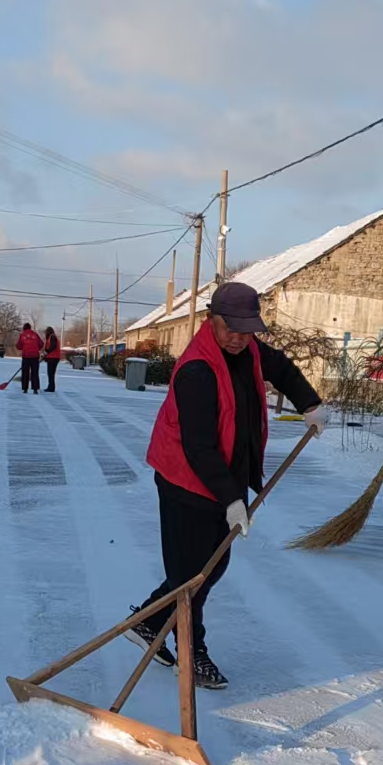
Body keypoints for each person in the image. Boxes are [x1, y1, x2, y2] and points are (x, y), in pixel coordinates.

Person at [127, 283, 326, 688]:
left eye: (246, 330)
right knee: (192, 576)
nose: (237, 338)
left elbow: (282, 368)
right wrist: (232, 499)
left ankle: (149, 621)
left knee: (210, 566)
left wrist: (309, 403)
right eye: (229, 328)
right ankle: (191, 650)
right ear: (209, 322)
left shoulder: (248, 350)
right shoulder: (197, 371)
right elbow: (199, 448)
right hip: (185, 478)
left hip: (224, 477)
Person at [17, 323, 44, 394]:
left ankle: (25, 389)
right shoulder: (35, 334)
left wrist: (23, 347)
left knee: (25, 373)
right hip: (35, 356)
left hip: (26, 356)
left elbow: (18, 346)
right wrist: (37, 348)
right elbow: (41, 344)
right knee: (35, 373)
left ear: (24, 328)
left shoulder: (22, 335)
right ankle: (35, 389)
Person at [43, 326, 62, 392]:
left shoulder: (52, 337)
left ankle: (51, 387)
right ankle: (51, 387)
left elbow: (53, 346)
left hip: (53, 357)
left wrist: (47, 352)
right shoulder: (52, 337)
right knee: (51, 373)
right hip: (54, 357)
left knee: (50, 373)